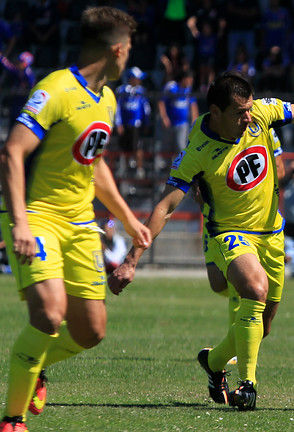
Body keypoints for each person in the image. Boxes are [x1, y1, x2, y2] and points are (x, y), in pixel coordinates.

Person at [108, 72, 294, 411]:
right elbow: (165, 206)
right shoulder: (197, 150)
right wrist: (131, 259)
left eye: (250, 109)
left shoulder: (262, 114)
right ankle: (248, 385)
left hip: (271, 232)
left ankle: (213, 363)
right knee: (253, 289)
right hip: (230, 233)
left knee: (263, 326)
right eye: (240, 113)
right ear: (216, 112)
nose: (249, 118)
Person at [0, 7, 151, 432]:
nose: (129, 55)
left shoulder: (107, 98)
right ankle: (12, 419)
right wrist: (20, 225)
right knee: (49, 315)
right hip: (38, 216)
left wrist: (126, 218)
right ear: (117, 49)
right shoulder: (56, 89)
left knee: (91, 331)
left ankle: (37, 368)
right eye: (130, 47)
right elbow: (12, 151)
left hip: (80, 223)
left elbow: (95, 165)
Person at [114, 66, 152, 179]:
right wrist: (119, 123)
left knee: (137, 147)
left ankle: (139, 169)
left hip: (137, 124)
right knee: (125, 148)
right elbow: (118, 108)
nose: (139, 81)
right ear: (131, 78)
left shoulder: (141, 91)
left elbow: (146, 108)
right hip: (125, 124)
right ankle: (125, 168)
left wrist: (147, 122)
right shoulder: (121, 90)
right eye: (137, 78)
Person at [157, 70, 199, 157]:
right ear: (184, 79)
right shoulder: (171, 87)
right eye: (189, 79)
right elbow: (161, 102)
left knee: (180, 146)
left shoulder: (189, 90)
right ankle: (166, 167)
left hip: (182, 124)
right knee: (166, 147)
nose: (190, 82)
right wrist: (164, 117)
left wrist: (194, 121)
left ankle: (180, 167)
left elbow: (193, 106)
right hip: (169, 123)